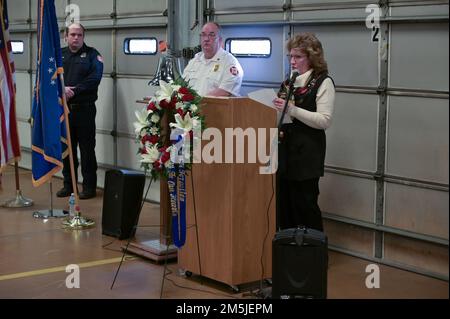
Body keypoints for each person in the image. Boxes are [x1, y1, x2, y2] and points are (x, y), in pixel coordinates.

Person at [272, 33, 335, 231]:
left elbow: (324, 120)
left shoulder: (323, 82)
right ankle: (289, 254)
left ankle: (313, 257)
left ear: (311, 58)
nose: (292, 61)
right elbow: (279, 116)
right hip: (285, 154)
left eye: (298, 57)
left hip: (307, 155)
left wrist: (292, 110)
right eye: (290, 56)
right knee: (285, 206)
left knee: (305, 206)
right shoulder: (288, 83)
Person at [56, 23, 103, 199]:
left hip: (84, 110)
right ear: (66, 36)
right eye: (73, 34)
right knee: (67, 149)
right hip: (64, 110)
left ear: (83, 36)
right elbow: (51, 77)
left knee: (87, 150)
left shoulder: (93, 55)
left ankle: (89, 187)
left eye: (79, 35)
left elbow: (95, 78)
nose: (76, 38)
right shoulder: (59, 54)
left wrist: (73, 90)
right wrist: (62, 90)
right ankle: (68, 185)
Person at [182, 22, 244, 97]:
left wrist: (196, 103)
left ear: (220, 40)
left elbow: (225, 91)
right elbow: (182, 86)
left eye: (211, 35)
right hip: (191, 107)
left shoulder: (229, 63)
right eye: (203, 35)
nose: (206, 39)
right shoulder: (194, 61)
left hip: (215, 108)